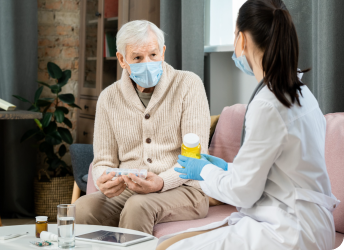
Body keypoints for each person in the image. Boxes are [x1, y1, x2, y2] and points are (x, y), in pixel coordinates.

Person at [157, 0, 340, 249]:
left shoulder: (269, 104)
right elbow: (274, 172)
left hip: (289, 232)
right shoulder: (300, 92)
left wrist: (203, 172)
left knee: (171, 248)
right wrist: (227, 168)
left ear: (242, 40)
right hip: (307, 224)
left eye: (234, 35)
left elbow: (243, 192)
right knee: (170, 242)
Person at [75, 20, 211, 235]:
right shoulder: (108, 98)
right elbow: (103, 161)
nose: (147, 62)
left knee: (138, 206)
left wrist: (161, 182)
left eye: (153, 55)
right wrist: (104, 180)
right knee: (82, 208)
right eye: (137, 58)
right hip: (131, 190)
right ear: (122, 59)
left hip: (185, 188)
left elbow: (196, 157)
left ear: (163, 52)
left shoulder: (188, 85)